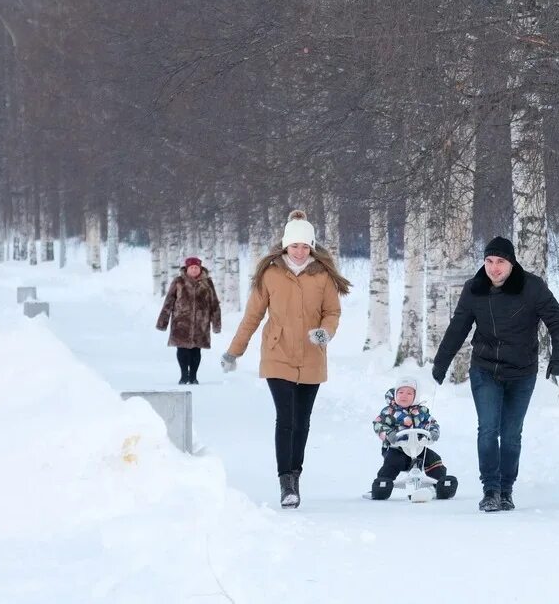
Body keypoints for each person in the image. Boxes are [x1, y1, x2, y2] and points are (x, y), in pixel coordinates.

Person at [220, 210, 351, 509]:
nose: (300, 251)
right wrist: (234, 351)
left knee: (302, 422)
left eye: (305, 246)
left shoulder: (322, 275)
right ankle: (285, 483)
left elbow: (333, 312)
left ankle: (296, 474)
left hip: (312, 355)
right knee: (286, 418)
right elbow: (253, 315)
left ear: (312, 246)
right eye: (295, 245)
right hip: (277, 354)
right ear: (285, 245)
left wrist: (325, 333)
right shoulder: (270, 273)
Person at [431, 236, 559, 513]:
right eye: (489, 261)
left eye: (500, 262)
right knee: (488, 429)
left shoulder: (532, 287)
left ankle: (506, 490)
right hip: (485, 369)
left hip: (522, 372)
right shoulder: (474, 289)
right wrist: (441, 364)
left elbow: (558, 322)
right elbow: (458, 328)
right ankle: (491, 490)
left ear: (511, 262)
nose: (494, 268)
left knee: (511, 434)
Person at [369, 376, 458, 501]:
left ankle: (440, 484)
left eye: (409, 393)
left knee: (434, 460)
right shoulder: (389, 412)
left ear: (415, 396)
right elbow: (378, 424)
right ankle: (383, 484)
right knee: (393, 462)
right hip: (396, 448)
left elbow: (431, 422)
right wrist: (389, 434)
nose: (404, 396)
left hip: (418, 448)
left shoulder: (421, 412)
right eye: (400, 392)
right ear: (395, 394)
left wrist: (433, 431)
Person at [156, 256, 221, 385]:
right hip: (181, 323)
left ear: (200, 268)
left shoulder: (207, 283)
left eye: (196, 267)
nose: (194, 270)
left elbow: (214, 303)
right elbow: (169, 302)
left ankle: (193, 376)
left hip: (201, 324)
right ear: (186, 269)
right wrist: (163, 322)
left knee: (196, 351)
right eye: (191, 267)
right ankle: (184, 375)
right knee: (182, 350)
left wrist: (216, 324)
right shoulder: (178, 282)